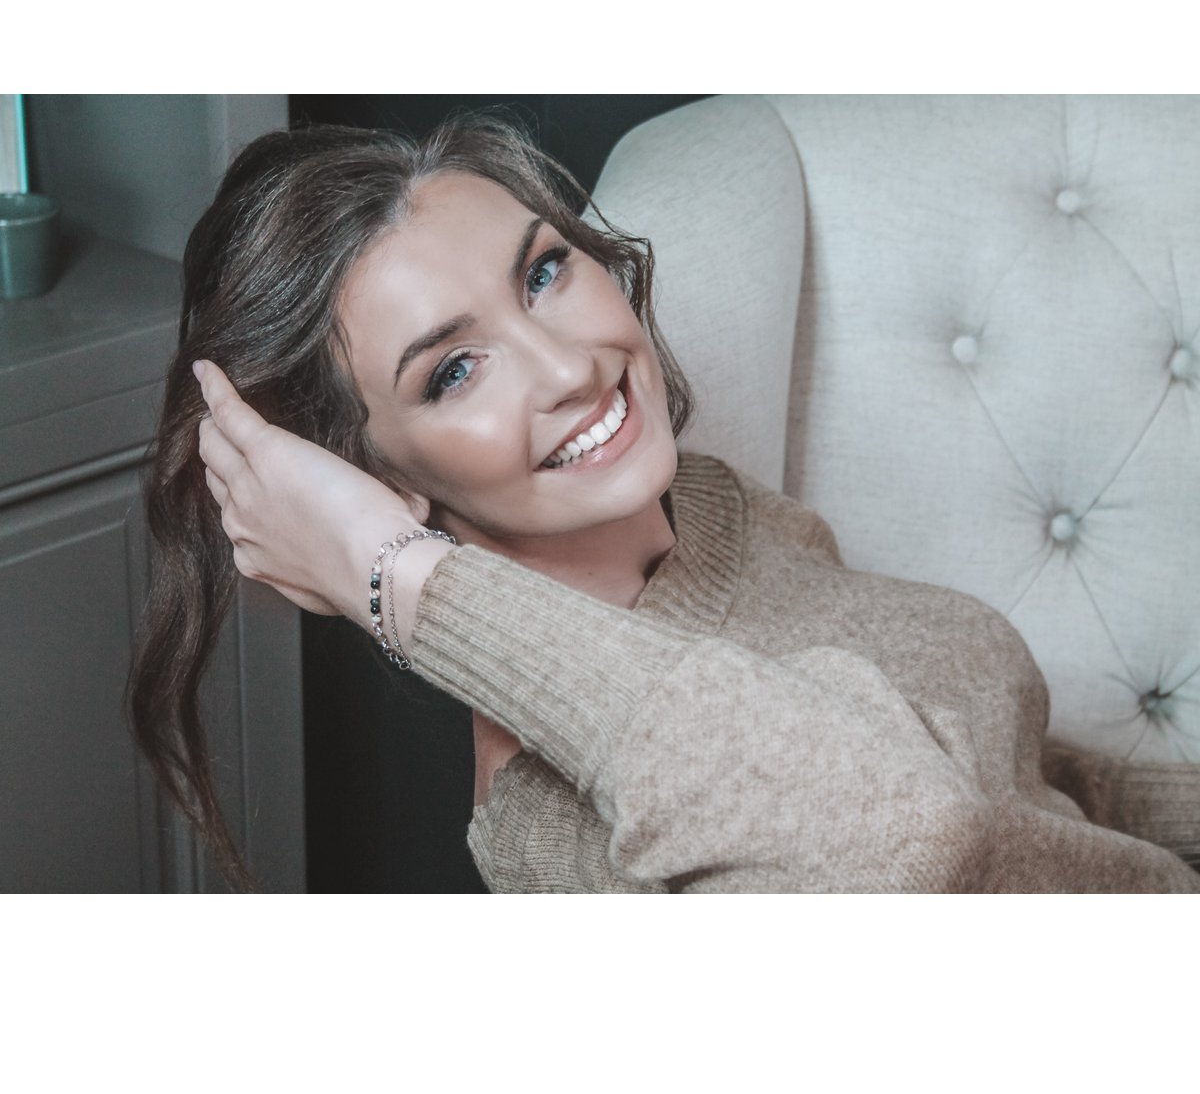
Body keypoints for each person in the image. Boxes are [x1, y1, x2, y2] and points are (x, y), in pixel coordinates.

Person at [129, 113, 1200, 894]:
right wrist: (397, 578)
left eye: (543, 274)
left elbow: (1018, 794)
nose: (570, 366)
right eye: (453, 372)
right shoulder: (559, 840)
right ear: (376, 483)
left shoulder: (711, 514)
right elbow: (915, 836)